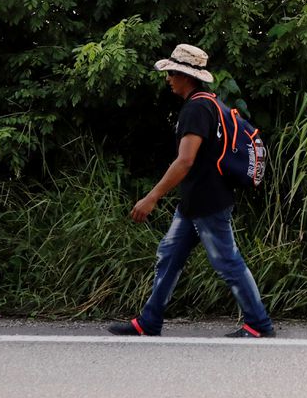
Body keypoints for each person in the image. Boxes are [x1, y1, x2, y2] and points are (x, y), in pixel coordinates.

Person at [107, 44, 275, 338]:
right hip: (195, 200)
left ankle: (259, 324)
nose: (168, 78)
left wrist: (152, 197)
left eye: (173, 72)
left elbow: (185, 161)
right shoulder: (210, 102)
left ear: (187, 76)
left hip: (208, 200)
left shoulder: (196, 108)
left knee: (227, 261)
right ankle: (149, 321)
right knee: (169, 255)